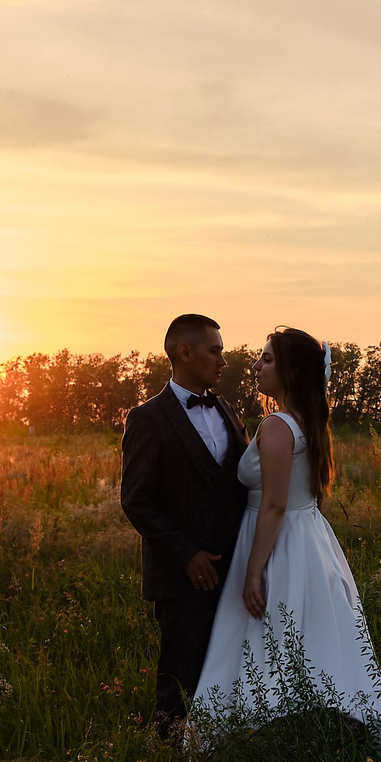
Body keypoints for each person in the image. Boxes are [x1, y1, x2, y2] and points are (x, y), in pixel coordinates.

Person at [189, 326, 381, 762]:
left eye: (267, 359)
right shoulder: (309, 423)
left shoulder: (276, 426)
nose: (256, 366)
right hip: (309, 542)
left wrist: (253, 571)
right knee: (306, 641)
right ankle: (314, 736)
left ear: (289, 370)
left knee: (263, 640)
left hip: (276, 544)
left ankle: (253, 744)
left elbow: (272, 504)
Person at [119, 313, 250, 738]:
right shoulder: (147, 418)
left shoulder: (226, 409)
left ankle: (222, 761)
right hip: (181, 579)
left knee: (231, 674)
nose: (223, 361)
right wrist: (186, 554)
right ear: (184, 352)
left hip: (233, 571)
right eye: (215, 351)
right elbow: (137, 501)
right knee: (179, 682)